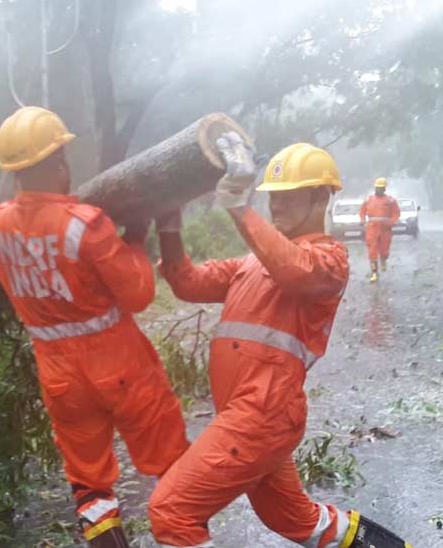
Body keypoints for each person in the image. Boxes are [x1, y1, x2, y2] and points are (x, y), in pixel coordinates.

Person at [147, 136, 412, 548]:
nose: (277, 204)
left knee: (172, 510)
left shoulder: (329, 261)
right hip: (251, 414)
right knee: (294, 518)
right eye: (273, 196)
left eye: (289, 195)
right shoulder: (253, 262)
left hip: (261, 413)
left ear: (320, 197)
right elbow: (186, 282)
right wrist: (169, 224)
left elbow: (295, 270)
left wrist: (239, 206)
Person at [0, 106, 190, 548]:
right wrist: (135, 238)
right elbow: (138, 293)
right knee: (172, 461)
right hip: (118, 364)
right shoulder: (84, 224)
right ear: (58, 161)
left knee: (89, 481)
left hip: (59, 376)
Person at [359, 177, 400, 283]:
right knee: (372, 251)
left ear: (384, 189)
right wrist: (363, 220)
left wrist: (393, 221)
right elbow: (362, 211)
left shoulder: (390, 200)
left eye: (381, 188)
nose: (378, 190)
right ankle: (374, 273)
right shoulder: (369, 199)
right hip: (372, 228)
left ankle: (383, 259)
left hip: (385, 229)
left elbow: (396, 213)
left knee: (384, 250)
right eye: (377, 188)